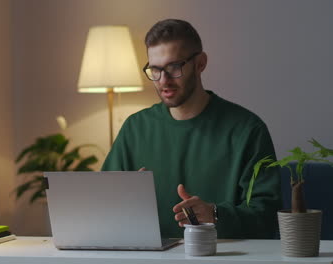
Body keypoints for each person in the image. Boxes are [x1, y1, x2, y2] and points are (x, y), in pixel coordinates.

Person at [101, 19, 281, 239]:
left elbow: (267, 217)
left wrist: (215, 215)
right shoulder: (135, 128)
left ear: (200, 63)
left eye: (174, 68)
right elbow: (104, 207)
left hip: (225, 256)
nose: (163, 81)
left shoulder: (247, 130)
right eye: (155, 70)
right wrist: (122, 200)